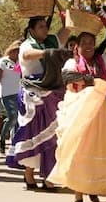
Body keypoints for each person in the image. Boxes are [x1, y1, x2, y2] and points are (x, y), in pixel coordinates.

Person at [48, 29, 106, 202]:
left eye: (91, 42)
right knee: (79, 148)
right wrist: (92, 81)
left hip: (100, 112)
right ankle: (78, 193)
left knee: (99, 149)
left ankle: (94, 188)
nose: (88, 46)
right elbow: (70, 78)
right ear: (77, 47)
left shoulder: (101, 61)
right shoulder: (72, 63)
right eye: (84, 43)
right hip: (78, 110)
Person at [5, 16, 71, 189]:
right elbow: (26, 55)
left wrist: (63, 7)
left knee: (52, 134)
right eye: (40, 27)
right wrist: (48, 53)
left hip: (51, 94)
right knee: (32, 133)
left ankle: (49, 176)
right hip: (32, 97)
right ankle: (28, 173)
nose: (45, 29)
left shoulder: (52, 40)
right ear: (32, 30)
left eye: (45, 26)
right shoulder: (27, 44)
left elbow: (68, 29)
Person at [0, 40, 23, 154]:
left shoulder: (19, 62)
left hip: (18, 92)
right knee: (12, 116)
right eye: (16, 51)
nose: (18, 54)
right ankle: (1, 139)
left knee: (17, 118)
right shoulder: (3, 61)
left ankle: (14, 142)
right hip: (6, 93)